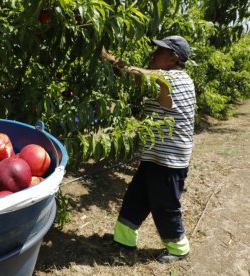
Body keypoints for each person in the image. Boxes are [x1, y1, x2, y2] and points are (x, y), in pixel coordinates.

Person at [101, 35, 196, 263]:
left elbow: (138, 74)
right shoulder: (163, 78)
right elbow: (137, 78)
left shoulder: (176, 80)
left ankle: (178, 248)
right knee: (136, 197)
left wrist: (105, 56)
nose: (153, 54)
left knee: (165, 205)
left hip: (169, 160)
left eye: (160, 51)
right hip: (155, 155)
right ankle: (124, 240)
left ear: (173, 58)